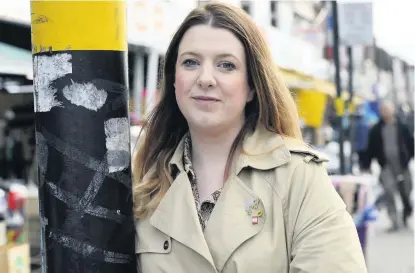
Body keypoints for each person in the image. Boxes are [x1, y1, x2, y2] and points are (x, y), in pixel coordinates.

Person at [132, 3, 366, 273]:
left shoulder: (298, 177)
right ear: (174, 81)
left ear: (252, 87)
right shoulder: (144, 184)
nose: (206, 78)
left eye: (226, 65)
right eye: (191, 62)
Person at [363, 101, 414, 231]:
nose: (386, 112)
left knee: (406, 191)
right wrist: (367, 165)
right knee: (389, 191)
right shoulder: (376, 129)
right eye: (383, 109)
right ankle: (394, 221)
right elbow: (371, 148)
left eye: (388, 109)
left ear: (393, 110)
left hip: (402, 164)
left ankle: (406, 214)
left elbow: (410, 143)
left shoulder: (402, 126)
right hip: (386, 166)